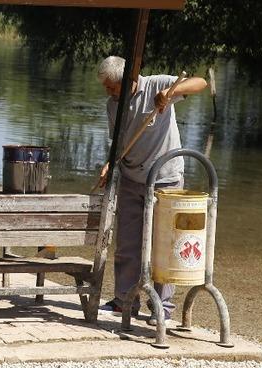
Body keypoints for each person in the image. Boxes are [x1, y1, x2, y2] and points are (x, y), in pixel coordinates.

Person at [95, 56, 207, 323]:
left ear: (129, 81)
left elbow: (200, 82)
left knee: (164, 245)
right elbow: (119, 144)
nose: (108, 92)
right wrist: (111, 163)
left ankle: (162, 308)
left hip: (165, 179)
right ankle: (124, 301)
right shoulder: (113, 105)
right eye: (107, 87)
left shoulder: (156, 84)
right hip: (131, 178)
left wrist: (171, 93)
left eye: (112, 87)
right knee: (127, 244)